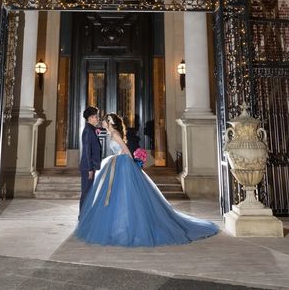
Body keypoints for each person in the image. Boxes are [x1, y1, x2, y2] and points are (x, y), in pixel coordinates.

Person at [75, 113, 218, 247]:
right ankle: (118, 225)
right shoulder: (111, 133)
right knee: (117, 195)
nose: (102, 122)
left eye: (104, 121)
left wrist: (132, 164)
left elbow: (125, 149)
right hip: (116, 163)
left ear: (110, 122)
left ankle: (128, 226)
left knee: (125, 195)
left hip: (122, 163)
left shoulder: (115, 134)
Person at [79, 106, 102, 214]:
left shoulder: (91, 129)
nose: (98, 119)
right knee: (86, 193)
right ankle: (82, 216)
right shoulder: (88, 130)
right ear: (90, 118)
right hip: (88, 167)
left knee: (89, 192)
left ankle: (85, 215)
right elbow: (87, 151)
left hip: (91, 166)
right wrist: (89, 169)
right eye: (96, 117)